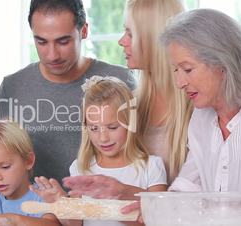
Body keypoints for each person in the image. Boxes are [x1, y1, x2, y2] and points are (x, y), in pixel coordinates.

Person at [63, 0, 192, 199]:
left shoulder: (196, 109)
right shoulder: (129, 105)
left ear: (154, 39)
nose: (121, 41)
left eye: (130, 33)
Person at [0, 0, 136, 184]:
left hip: (104, 206)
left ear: (84, 31)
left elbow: (140, 151)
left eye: (63, 41)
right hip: (37, 209)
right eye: (41, 42)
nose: (52, 55)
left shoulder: (122, 80)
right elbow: (7, 157)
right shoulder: (13, 87)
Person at [32, 76, 167, 226]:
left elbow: (159, 220)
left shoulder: (151, 167)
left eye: (112, 127)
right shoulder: (80, 167)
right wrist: (61, 205)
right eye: (94, 128)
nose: (103, 138)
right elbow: (77, 224)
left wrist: (115, 199)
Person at [160, 9, 241, 192]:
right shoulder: (201, 118)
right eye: (176, 70)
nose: (179, 83)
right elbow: (188, 187)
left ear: (223, 64)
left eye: (188, 69)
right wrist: (151, 206)